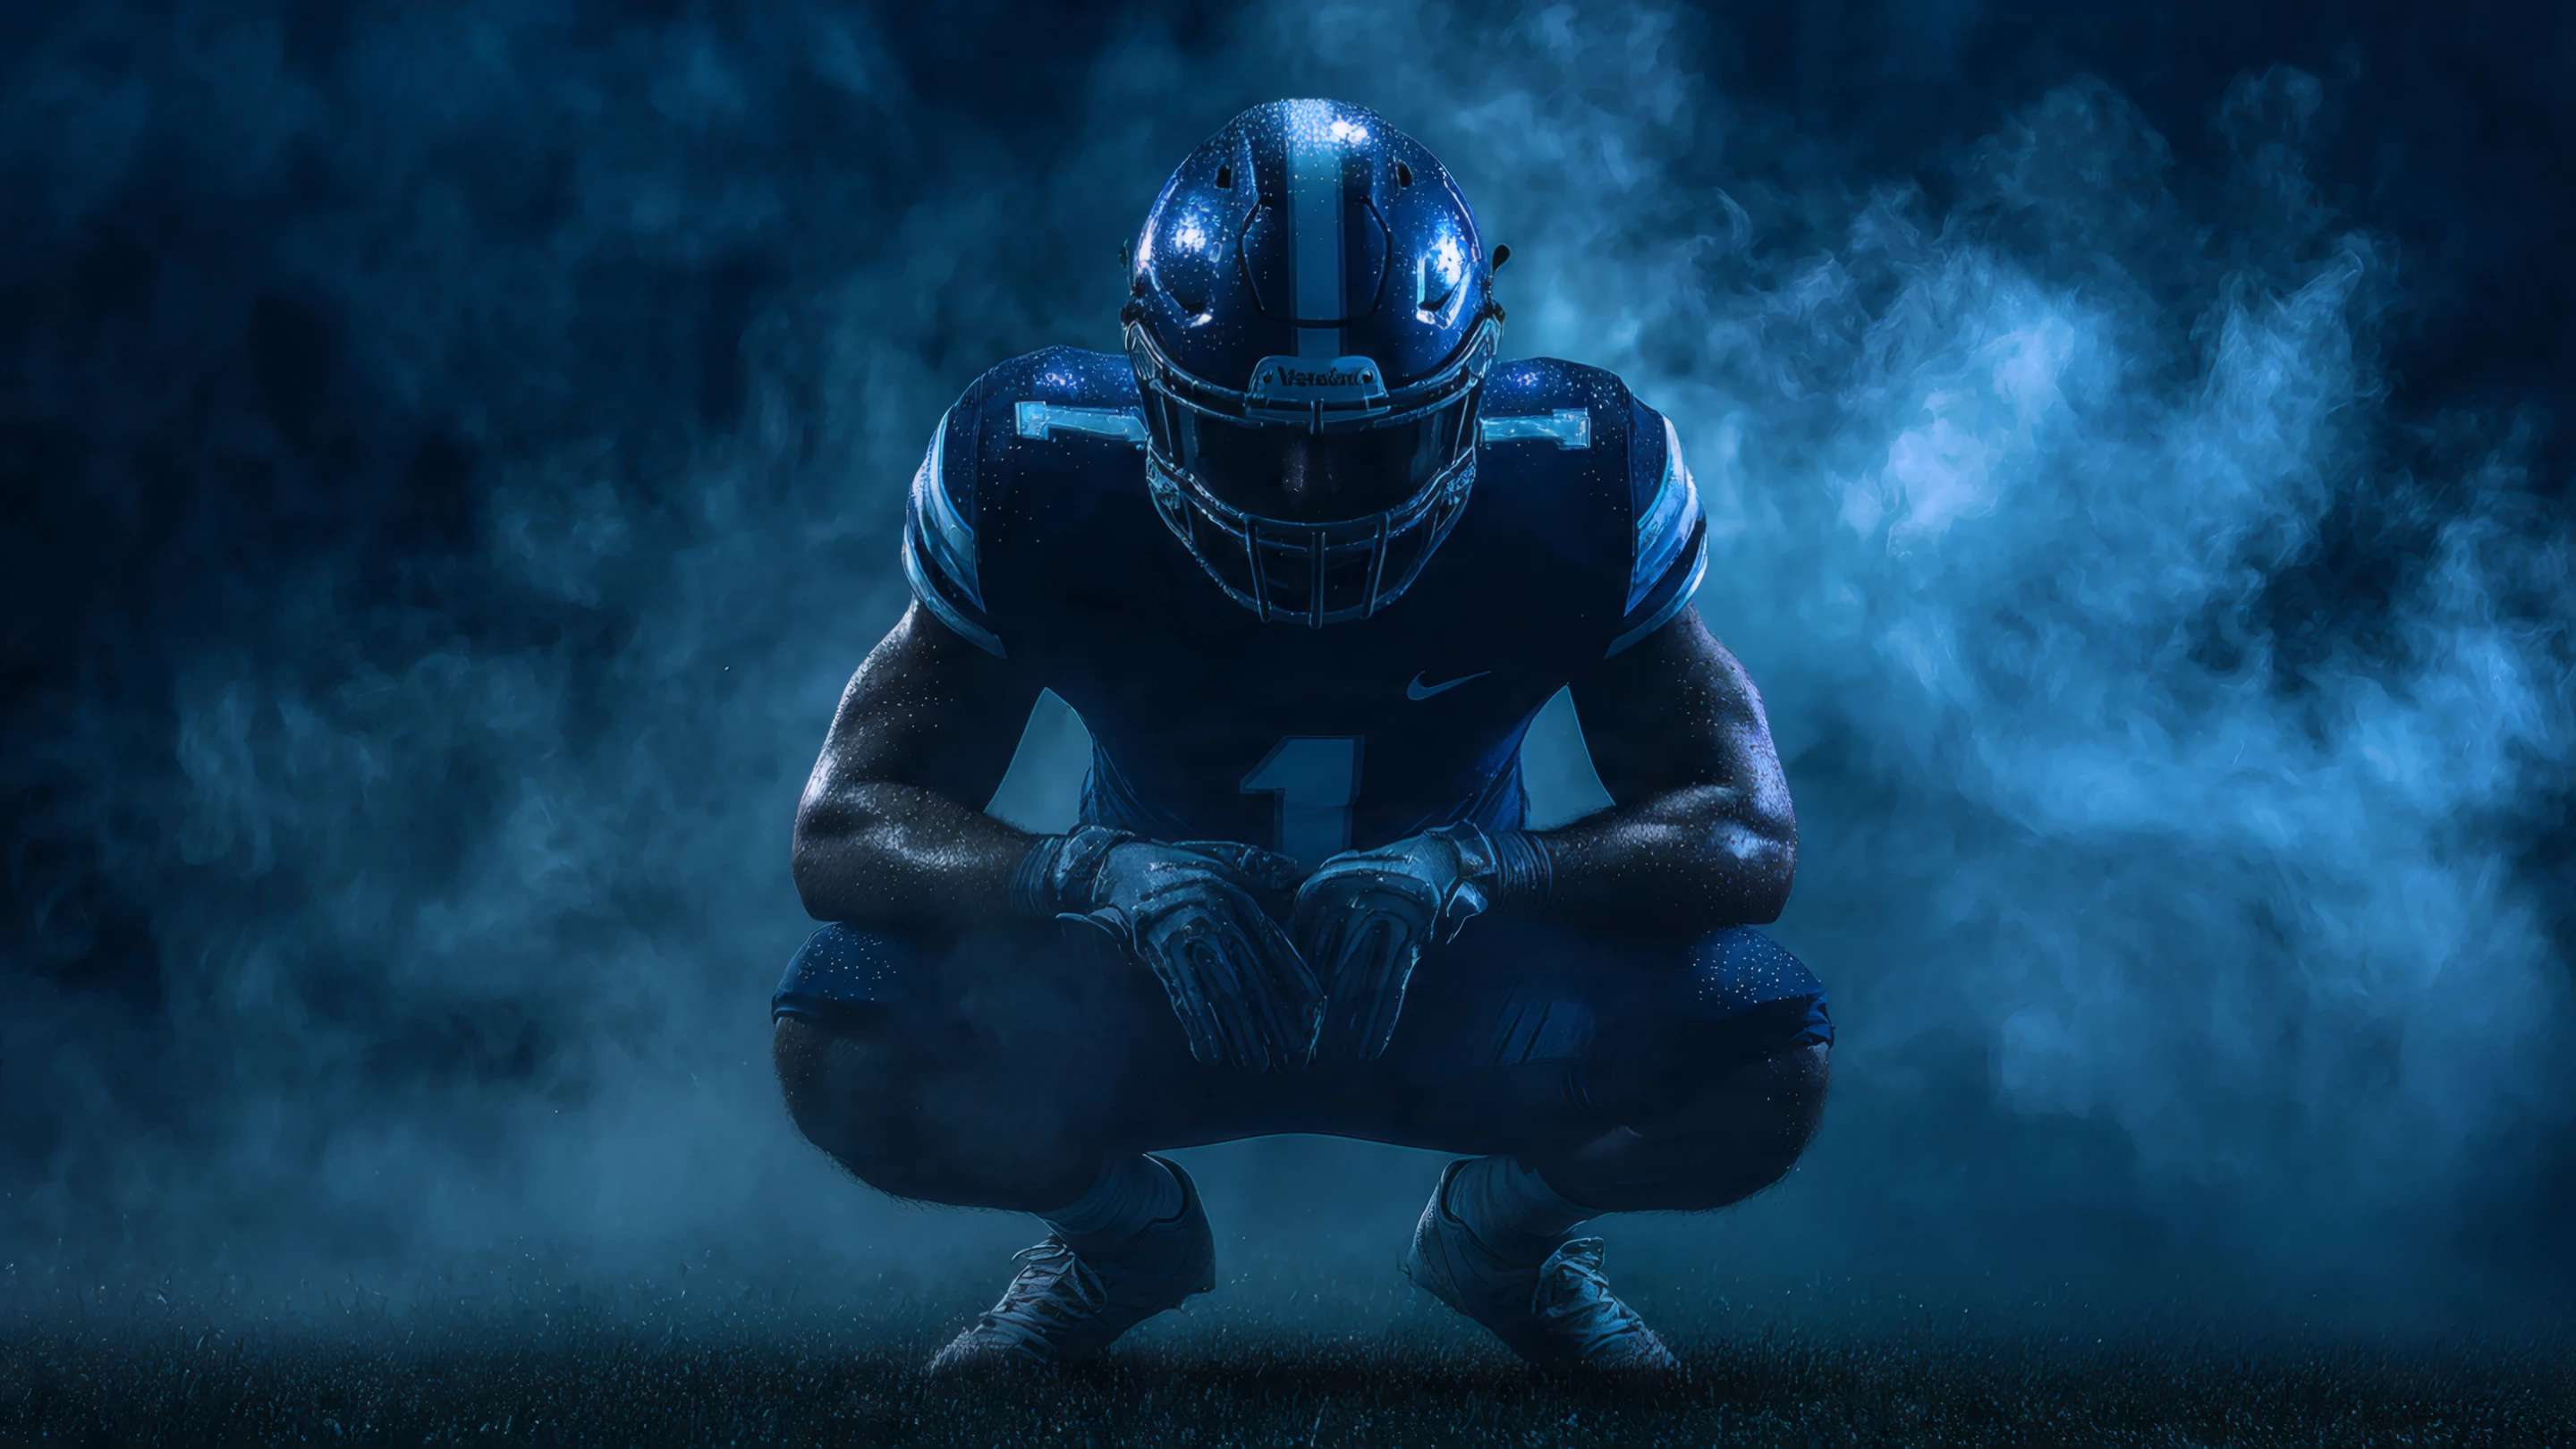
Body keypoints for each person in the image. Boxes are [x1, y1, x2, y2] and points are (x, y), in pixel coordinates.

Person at [772, 99, 1829, 1376]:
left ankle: (1504, 1241)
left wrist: (1481, 869)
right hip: (1148, 982)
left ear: (1471, 392)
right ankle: (1118, 1238)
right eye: (1251, 441)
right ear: (1148, 390)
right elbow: (847, 825)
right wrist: (1097, 875)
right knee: (843, 1026)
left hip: (1455, 980)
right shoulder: (1036, 469)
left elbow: (1745, 830)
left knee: (1762, 1041)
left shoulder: (1579, 477)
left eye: (1371, 448)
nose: (1310, 494)